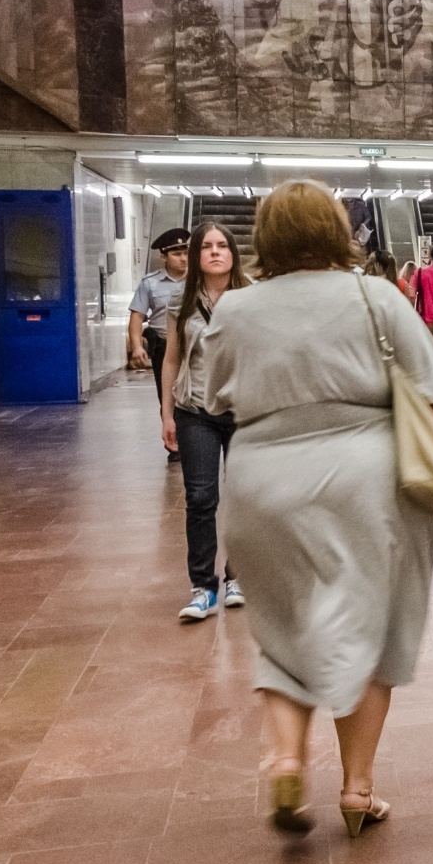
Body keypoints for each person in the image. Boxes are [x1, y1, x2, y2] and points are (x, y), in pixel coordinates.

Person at [203, 179, 433, 837]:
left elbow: (214, 398)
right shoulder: (374, 294)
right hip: (365, 477)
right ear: (335, 230)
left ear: (263, 236)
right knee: (369, 629)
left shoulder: (235, 311)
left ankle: (286, 757)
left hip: (260, 480)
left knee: (285, 623)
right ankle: (357, 789)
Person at [160, 222, 250, 622]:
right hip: (195, 411)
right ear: (197, 255)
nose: (215, 252)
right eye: (206, 247)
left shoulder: (252, 299)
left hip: (245, 412)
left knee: (246, 498)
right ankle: (203, 587)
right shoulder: (180, 303)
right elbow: (172, 359)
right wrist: (166, 413)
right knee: (200, 498)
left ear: (233, 253)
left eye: (222, 246)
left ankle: (237, 577)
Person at [128, 227, 191, 462]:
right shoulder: (150, 284)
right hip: (164, 345)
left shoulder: (201, 278)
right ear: (164, 256)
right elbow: (136, 317)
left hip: (194, 346)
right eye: (176, 253)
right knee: (167, 393)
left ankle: (195, 440)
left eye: (186, 251)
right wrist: (137, 347)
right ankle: (175, 443)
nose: (183, 257)